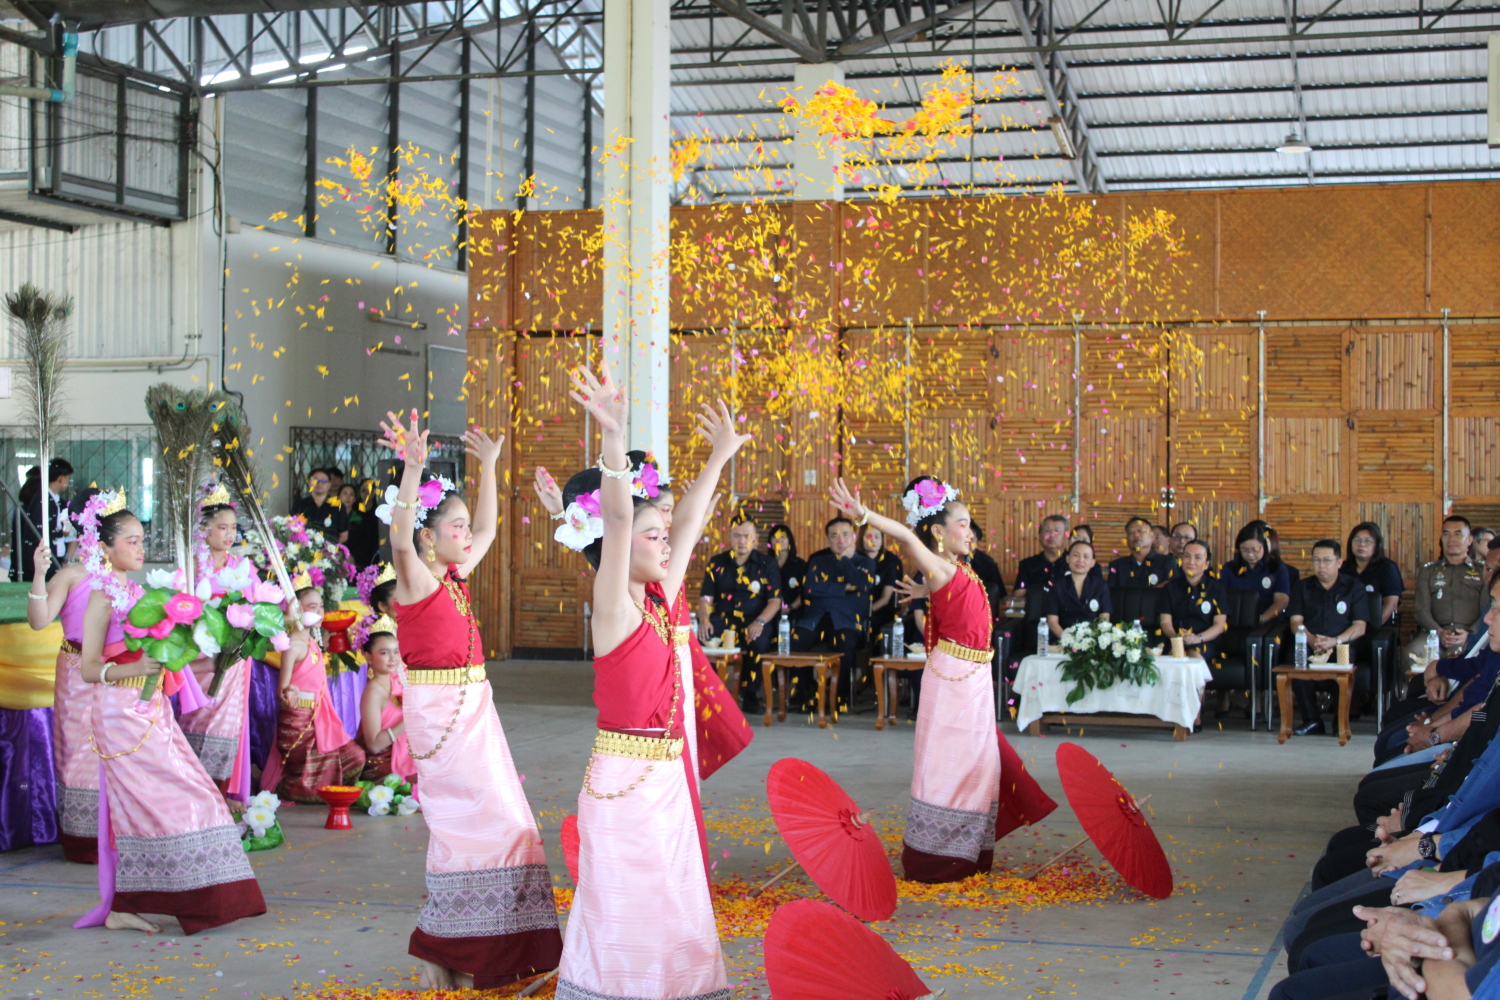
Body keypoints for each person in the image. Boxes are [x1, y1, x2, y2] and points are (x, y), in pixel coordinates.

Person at [555, 365, 747, 1000]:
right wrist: (613, 439)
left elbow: (686, 523)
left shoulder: (661, 596)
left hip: (665, 776)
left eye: (664, 535)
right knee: (626, 912)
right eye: (653, 535)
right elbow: (617, 519)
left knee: (674, 903)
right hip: (624, 779)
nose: (667, 544)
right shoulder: (615, 605)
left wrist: (720, 455)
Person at [381, 411, 560, 991]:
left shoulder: (455, 577)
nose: (465, 535)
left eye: (463, 527)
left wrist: (489, 465)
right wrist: (412, 471)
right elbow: (399, 536)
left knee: (505, 825)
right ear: (428, 538)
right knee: (470, 828)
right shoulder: (417, 579)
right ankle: (443, 947)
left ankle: (459, 948)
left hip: (474, 706)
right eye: (453, 527)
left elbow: (487, 529)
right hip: (441, 715)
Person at [71, 491, 266, 935]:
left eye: (142, 540)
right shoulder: (101, 596)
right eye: (132, 542)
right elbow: (87, 669)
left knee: (178, 797)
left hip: (153, 706)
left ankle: (128, 903)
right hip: (119, 713)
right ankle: (155, 900)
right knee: (166, 799)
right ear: (106, 547)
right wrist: (135, 668)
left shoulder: (138, 591)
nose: (140, 548)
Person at [829, 473, 1000, 883]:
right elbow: (906, 536)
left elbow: (955, 598)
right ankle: (936, 857)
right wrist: (864, 515)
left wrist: (928, 593)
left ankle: (968, 849)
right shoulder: (938, 565)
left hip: (975, 678)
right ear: (938, 532)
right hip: (955, 678)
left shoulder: (955, 569)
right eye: (963, 523)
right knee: (949, 764)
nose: (970, 532)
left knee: (978, 764)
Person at [25, 488, 104, 863]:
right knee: (77, 749)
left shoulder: (124, 579)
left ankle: (116, 831)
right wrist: (40, 574)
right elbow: (39, 621)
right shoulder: (71, 575)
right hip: (76, 671)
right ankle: (82, 838)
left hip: (114, 673)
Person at [177, 487, 255, 797]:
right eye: (222, 527)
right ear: (205, 531)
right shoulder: (191, 566)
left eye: (234, 527)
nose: (230, 534)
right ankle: (192, 792)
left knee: (226, 722)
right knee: (195, 716)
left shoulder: (242, 567)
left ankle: (220, 793)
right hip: (198, 655)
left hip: (232, 658)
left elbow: (256, 609)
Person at [260, 583, 366, 801]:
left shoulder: (311, 641)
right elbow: (282, 690)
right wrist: (290, 692)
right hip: (299, 719)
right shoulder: (293, 644)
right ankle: (283, 788)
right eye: (312, 606)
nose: (319, 611)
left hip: (320, 718)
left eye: (321, 606)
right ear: (297, 610)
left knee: (355, 757)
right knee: (310, 784)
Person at [791, 516, 878, 712]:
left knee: (844, 646)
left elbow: (862, 584)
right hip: (815, 619)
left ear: (853, 537)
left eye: (845, 535)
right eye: (834, 536)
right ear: (827, 540)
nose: (840, 540)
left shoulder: (866, 562)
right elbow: (809, 589)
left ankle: (840, 697)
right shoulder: (818, 560)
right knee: (794, 643)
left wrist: (845, 560)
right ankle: (809, 692)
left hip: (846, 620)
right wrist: (844, 588)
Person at [1287, 539, 1372, 736]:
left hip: (1341, 643)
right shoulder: (1302, 586)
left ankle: (1339, 721)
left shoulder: (1354, 588)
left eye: (1327, 560)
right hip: (1310, 642)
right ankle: (1311, 720)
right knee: (1295, 658)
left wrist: (1335, 641)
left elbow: (1360, 627)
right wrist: (1310, 639)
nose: (1321, 565)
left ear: (1339, 562)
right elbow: (1295, 622)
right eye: (1316, 560)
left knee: (1345, 658)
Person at [698, 518, 782, 714]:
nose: (742, 541)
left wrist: (760, 622)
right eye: (737, 536)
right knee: (703, 638)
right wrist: (704, 620)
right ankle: (709, 694)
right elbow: (706, 598)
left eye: (747, 536)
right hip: (723, 619)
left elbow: (775, 601)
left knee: (759, 643)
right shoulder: (717, 562)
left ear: (756, 539)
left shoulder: (767, 564)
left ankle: (750, 694)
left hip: (755, 619)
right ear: (730, 538)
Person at [1408, 515, 1487, 664]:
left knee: (1460, 656)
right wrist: (1439, 632)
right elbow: (1421, 610)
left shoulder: (1482, 571)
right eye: (1446, 533)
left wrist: (1470, 633)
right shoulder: (1429, 571)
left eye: (1458, 534)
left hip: (1469, 635)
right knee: (1413, 652)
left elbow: (1487, 610)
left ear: (1469, 540)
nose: (1451, 539)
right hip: (1434, 635)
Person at [357, 616, 414, 786]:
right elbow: (374, 745)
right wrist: (410, 720)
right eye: (384, 653)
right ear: (368, 657)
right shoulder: (373, 692)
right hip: (383, 764)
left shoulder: (397, 683)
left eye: (396, 652)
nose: (393, 658)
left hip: (406, 754)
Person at [1160, 540, 1228, 666]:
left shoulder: (1216, 590)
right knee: (1175, 655)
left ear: (1206, 564)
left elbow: (1219, 625)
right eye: (1187, 556)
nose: (1191, 562)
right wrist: (1176, 637)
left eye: (1197, 558)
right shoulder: (1170, 588)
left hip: (1206, 641)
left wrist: (1198, 638)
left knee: (1194, 655)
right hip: (1177, 640)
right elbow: (1165, 622)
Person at [1221, 522, 1291, 624]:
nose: (1250, 554)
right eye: (1244, 550)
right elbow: (1220, 597)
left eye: (1255, 550)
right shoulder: (1229, 568)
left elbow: (1282, 601)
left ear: (1264, 547)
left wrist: (1262, 618)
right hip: (1235, 623)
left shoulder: (1277, 568)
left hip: (1269, 624)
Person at [19, 458, 73, 582]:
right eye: (68, 478)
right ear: (60, 479)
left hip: (54, 556)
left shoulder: (55, 500)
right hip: (45, 559)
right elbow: (39, 530)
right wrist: (62, 532)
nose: (68, 482)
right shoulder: (42, 500)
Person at [1344, 521, 1405, 628]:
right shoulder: (1343, 568)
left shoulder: (1387, 567)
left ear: (1377, 545)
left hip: (1377, 628)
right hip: (1346, 627)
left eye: (1367, 541)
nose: (1362, 544)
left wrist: (1372, 626)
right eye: (1357, 540)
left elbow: (1391, 603)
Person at [1046, 540, 1112, 636]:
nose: (1081, 560)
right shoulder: (1057, 585)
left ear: (1092, 562)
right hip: (1062, 638)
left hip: (1092, 640)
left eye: (1086, 557)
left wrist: (1093, 639)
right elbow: (1052, 621)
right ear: (1068, 558)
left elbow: (1104, 618)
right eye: (1076, 555)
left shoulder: (1100, 585)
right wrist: (1068, 640)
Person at [860, 522, 904, 643]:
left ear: (882, 540)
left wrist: (866, 612)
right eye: (869, 536)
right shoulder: (854, 559)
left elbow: (885, 599)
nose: (873, 540)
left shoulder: (890, 561)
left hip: (880, 610)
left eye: (877, 537)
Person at [290, 468, 349, 545]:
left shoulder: (338, 506)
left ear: (329, 485)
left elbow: (344, 536)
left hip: (329, 550)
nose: (319, 484)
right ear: (309, 483)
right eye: (315, 480)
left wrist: (329, 548)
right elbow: (291, 529)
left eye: (324, 481)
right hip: (304, 549)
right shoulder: (299, 505)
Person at [766, 523, 806, 618]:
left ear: (789, 541)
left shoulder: (800, 564)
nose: (778, 540)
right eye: (774, 537)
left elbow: (806, 592)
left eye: (782, 537)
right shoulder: (764, 564)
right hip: (767, 613)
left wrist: (790, 608)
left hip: (794, 614)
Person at [344, 480, 381, 569]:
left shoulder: (379, 512)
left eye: (369, 490)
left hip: (375, 555)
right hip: (355, 556)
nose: (366, 494)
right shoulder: (354, 512)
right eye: (363, 491)